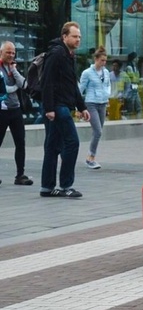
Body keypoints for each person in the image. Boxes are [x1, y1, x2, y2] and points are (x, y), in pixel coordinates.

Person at [40, 21, 90, 198]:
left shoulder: (69, 55)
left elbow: (72, 85)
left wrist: (82, 107)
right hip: (57, 107)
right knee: (72, 142)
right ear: (64, 36)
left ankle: (47, 187)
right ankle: (66, 185)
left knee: (52, 146)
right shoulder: (57, 53)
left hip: (62, 106)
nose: (78, 40)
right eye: (75, 36)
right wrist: (49, 108)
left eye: (79, 37)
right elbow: (47, 81)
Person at [0, 41, 33, 186]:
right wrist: (14, 86)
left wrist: (14, 71)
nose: (11, 55)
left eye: (13, 52)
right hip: (2, 110)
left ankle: (20, 175)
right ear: (1, 52)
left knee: (20, 142)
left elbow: (25, 85)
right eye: (8, 52)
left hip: (15, 109)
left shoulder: (12, 68)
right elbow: (4, 89)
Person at [79, 46, 110, 169]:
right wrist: (79, 107)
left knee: (98, 131)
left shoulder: (106, 72)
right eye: (101, 60)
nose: (103, 63)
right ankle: (90, 157)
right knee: (98, 131)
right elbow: (81, 89)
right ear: (96, 59)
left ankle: (91, 156)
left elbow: (107, 85)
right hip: (91, 103)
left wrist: (107, 97)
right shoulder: (87, 73)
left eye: (105, 61)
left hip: (102, 103)